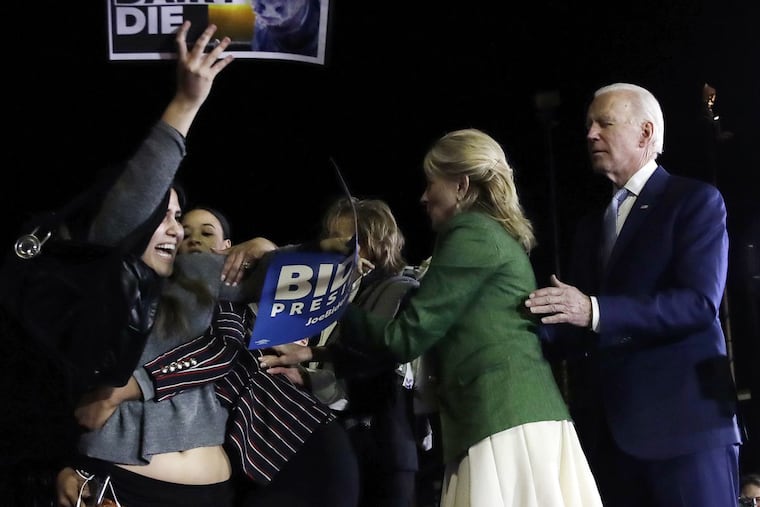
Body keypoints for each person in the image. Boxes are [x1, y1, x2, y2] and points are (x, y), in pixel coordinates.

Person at [263, 128, 604, 507]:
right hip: (502, 415)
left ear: (461, 186)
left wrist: (334, 303)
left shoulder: (469, 232)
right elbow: (420, 343)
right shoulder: (489, 234)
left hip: (501, 417)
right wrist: (318, 355)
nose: (423, 197)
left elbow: (405, 338)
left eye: (430, 183)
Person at [524, 82, 742, 507]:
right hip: (611, 440)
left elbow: (699, 304)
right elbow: (579, 325)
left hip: (685, 436)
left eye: (604, 123)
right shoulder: (591, 227)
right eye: (588, 125)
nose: (590, 134)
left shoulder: (694, 201)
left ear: (645, 134)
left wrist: (594, 310)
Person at [57, 203, 360, 507]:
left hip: (293, 443)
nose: (190, 237)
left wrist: (290, 249)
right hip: (210, 472)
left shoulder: (217, 292)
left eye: (205, 232)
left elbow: (223, 347)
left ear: (228, 248)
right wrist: (64, 465)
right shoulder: (115, 295)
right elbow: (68, 395)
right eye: (180, 227)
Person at [261, 196, 421, 507]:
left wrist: (309, 370)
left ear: (378, 242)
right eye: (332, 240)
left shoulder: (401, 288)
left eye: (349, 240)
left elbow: (378, 354)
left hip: (383, 446)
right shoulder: (322, 292)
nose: (339, 248)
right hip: (330, 446)